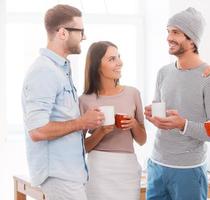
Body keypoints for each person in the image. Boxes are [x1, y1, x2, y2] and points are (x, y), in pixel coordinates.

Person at [21, 4, 103, 200]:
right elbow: (37, 130)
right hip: (59, 175)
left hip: (70, 174)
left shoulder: (59, 70)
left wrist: (84, 123)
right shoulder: (44, 71)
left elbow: (61, 119)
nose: (84, 36)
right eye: (80, 31)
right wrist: (81, 122)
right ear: (63, 33)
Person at [144, 7, 210, 200]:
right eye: (168, 31)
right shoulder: (163, 72)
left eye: (175, 32)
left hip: (188, 170)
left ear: (192, 39)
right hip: (156, 164)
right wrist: (153, 117)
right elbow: (160, 112)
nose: (168, 37)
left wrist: (183, 124)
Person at [79, 41, 147, 200]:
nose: (120, 62)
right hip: (98, 170)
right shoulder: (84, 100)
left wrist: (134, 124)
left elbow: (142, 140)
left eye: (119, 57)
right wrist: (101, 131)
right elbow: (80, 149)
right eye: (112, 59)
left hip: (127, 169)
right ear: (97, 66)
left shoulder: (132, 93)